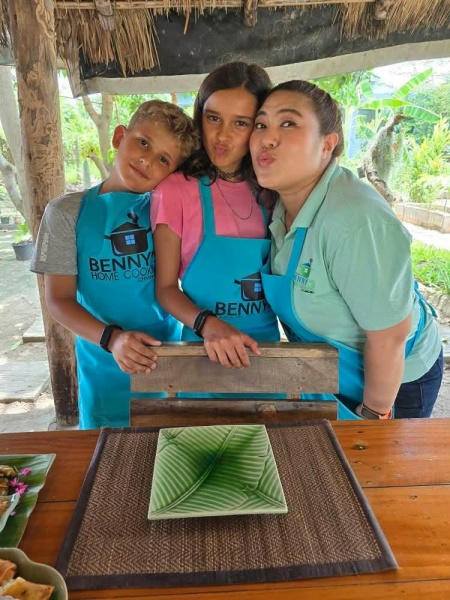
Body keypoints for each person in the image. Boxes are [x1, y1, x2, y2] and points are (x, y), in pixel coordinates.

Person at [250, 80, 443, 419]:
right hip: (334, 371)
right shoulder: (278, 206)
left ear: (327, 145)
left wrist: (372, 415)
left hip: (396, 381)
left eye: (288, 123)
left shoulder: (355, 220)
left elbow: (390, 337)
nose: (267, 138)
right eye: (261, 124)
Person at [31, 100, 199, 429]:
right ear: (120, 137)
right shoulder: (65, 212)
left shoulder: (168, 213)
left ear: (172, 174)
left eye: (163, 159)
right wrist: (113, 339)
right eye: (144, 143)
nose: (147, 160)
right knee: (106, 448)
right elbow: (59, 300)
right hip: (101, 358)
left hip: (163, 356)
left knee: (167, 442)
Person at [152, 62, 280, 374]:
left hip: (267, 352)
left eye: (240, 123)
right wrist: (209, 325)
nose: (223, 136)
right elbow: (166, 289)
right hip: (201, 351)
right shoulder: (174, 190)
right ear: (200, 117)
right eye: (213, 118)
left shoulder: (272, 188)